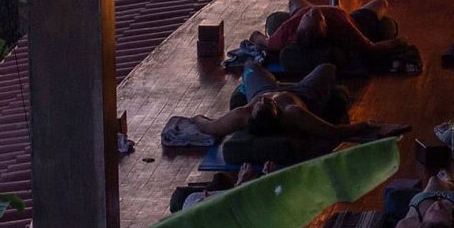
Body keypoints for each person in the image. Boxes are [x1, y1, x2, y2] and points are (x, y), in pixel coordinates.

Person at [168, 88, 405, 151]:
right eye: (263, 103)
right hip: (301, 90)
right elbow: (335, 131)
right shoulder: (293, 112)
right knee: (325, 70)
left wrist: (195, 117)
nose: (261, 101)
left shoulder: (242, 115)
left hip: (268, 85)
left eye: (261, 103)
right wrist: (368, 125)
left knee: (251, 67)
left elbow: (208, 126)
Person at [264, 0, 412, 62]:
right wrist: (399, 42)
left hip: (303, 15)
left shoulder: (290, 27)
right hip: (353, 19)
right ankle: (357, 11)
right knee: (381, 3)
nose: (314, 11)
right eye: (318, 16)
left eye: (309, 15)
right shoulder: (343, 27)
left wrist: (253, 37)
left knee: (295, 0)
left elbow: (262, 41)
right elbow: (371, 48)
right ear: (325, 24)